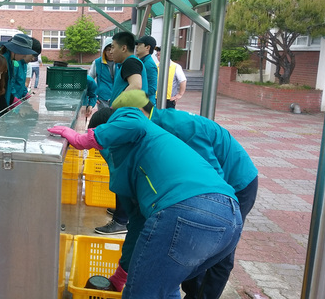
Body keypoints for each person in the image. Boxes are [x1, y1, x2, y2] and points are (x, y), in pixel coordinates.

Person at [47, 108, 243, 298]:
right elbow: (137, 227)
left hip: (185, 210)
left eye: (101, 143)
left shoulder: (132, 120)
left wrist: (83, 140)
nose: (102, 150)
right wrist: (120, 276)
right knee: (163, 287)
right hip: (230, 218)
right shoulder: (133, 166)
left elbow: (134, 121)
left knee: (141, 293)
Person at [111, 90, 258, 299]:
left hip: (235, 183)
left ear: (139, 113)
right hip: (203, 192)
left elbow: (212, 177)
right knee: (182, 248)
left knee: (216, 251)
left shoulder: (178, 129)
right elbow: (138, 221)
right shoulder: (148, 132)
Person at [95, 31, 152, 235]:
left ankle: (121, 220)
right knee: (120, 167)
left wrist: (114, 108)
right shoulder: (126, 64)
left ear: (124, 48)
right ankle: (123, 211)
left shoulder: (131, 62)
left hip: (127, 123)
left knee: (121, 169)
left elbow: (136, 85)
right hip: (127, 121)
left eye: (113, 47)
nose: (111, 51)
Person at [0, 34, 38, 113]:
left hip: (5, 103)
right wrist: (5, 110)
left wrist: (12, 101)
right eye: (24, 53)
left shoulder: (10, 62)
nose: (24, 56)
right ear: (15, 50)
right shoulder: (3, 61)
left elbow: (8, 86)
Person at [88, 38, 117, 109]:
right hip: (102, 99)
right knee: (103, 119)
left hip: (117, 98)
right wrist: (93, 97)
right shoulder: (97, 63)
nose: (110, 52)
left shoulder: (120, 63)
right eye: (108, 49)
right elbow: (89, 80)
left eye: (112, 49)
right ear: (104, 51)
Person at [134, 35, 158, 103]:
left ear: (147, 47)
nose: (137, 47)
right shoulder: (142, 62)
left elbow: (152, 89)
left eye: (139, 45)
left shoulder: (149, 65)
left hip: (146, 105)